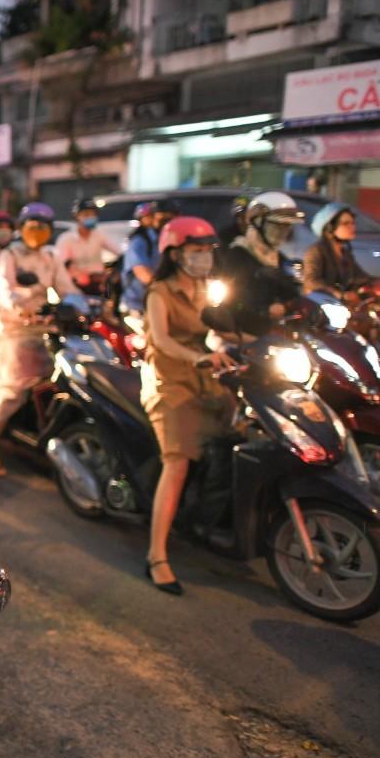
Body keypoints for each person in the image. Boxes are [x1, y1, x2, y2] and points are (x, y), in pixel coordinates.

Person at [140, 217, 237, 594]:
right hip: (168, 380)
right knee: (177, 462)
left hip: (205, 374)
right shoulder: (159, 292)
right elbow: (162, 341)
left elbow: (220, 329)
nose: (204, 258)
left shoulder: (207, 288)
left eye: (208, 250)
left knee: (238, 434)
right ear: (175, 253)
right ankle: (156, 555)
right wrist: (197, 358)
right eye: (196, 251)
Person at [0, 203, 83, 477]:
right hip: (16, 330)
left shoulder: (51, 256)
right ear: (22, 229)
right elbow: (4, 293)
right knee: (11, 393)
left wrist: (88, 305)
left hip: (46, 329)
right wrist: (25, 303)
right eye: (32, 227)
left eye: (43, 228)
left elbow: (67, 288)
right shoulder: (10, 255)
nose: (37, 233)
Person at [219, 191, 304, 336]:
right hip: (242, 336)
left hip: (275, 336)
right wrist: (263, 310)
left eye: (287, 226)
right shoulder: (238, 255)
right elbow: (232, 302)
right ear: (258, 222)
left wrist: (287, 304)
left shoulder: (279, 258)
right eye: (277, 225)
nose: (283, 231)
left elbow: (293, 295)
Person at [120, 199, 177, 319]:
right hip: (138, 307)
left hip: (164, 304)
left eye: (171, 219)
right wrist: (167, 289)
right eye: (163, 219)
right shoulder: (139, 241)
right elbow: (143, 273)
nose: (167, 223)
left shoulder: (171, 240)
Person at [303, 202, 372, 300]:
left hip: (343, 305)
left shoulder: (345, 253)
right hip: (322, 305)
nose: (352, 227)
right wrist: (337, 293)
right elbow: (311, 281)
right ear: (330, 228)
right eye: (345, 223)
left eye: (352, 223)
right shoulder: (316, 251)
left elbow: (361, 277)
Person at [55, 198, 120, 289]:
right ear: (77, 216)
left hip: (99, 284)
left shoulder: (99, 235)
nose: (90, 217)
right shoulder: (66, 239)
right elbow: (64, 263)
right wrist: (80, 275)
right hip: (75, 286)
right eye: (86, 214)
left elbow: (119, 251)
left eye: (93, 215)